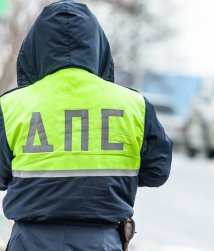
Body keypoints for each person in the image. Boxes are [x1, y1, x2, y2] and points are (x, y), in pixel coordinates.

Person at [0, 1, 172, 250]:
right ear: (98, 47)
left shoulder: (11, 105)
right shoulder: (134, 105)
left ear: (34, 48)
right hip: (102, 241)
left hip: (31, 241)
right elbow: (157, 172)